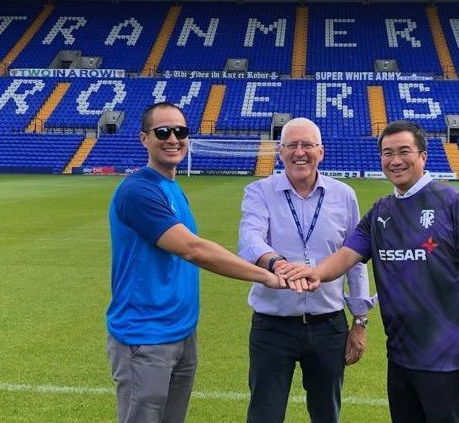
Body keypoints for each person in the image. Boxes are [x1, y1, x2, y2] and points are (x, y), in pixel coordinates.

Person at [283, 121, 459, 422]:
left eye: (404, 151)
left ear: (423, 156)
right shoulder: (381, 211)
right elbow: (346, 255)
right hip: (400, 360)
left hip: (448, 362)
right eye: (387, 153)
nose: (395, 160)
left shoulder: (453, 202)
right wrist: (313, 273)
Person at [105, 102, 309, 423]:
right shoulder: (138, 191)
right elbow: (193, 250)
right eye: (163, 132)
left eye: (180, 131)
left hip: (181, 333)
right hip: (145, 337)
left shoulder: (171, 188)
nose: (173, 138)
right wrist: (266, 275)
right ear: (144, 138)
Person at [238, 117, 375, 423]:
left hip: (329, 327)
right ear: (280, 152)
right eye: (291, 145)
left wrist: (361, 321)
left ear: (321, 151)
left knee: (327, 414)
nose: (299, 152)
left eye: (307, 145)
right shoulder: (259, 191)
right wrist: (278, 264)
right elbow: (250, 239)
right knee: (264, 415)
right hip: (273, 326)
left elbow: (355, 259)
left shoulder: (344, 195)